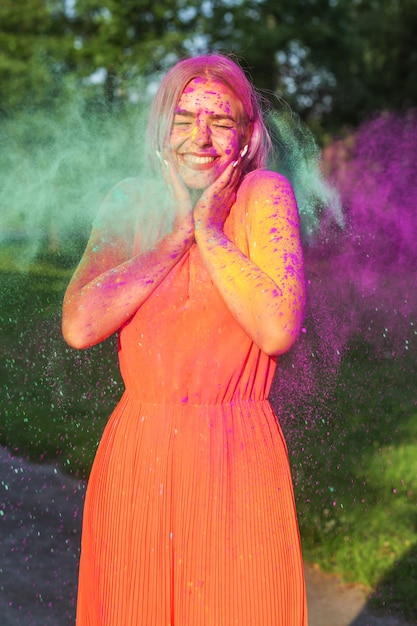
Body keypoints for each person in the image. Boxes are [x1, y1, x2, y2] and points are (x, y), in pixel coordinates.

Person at [62, 53, 307, 626]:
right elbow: (79, 326)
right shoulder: (130, 201)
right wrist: (175, 238)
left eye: (221, 122)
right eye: (184, 119)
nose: (201, 139)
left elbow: (276, 330)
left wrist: (210, 232)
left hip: (236, 456)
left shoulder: (265, 196)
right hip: (139, 455)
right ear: (160, 129)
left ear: (247, 136)